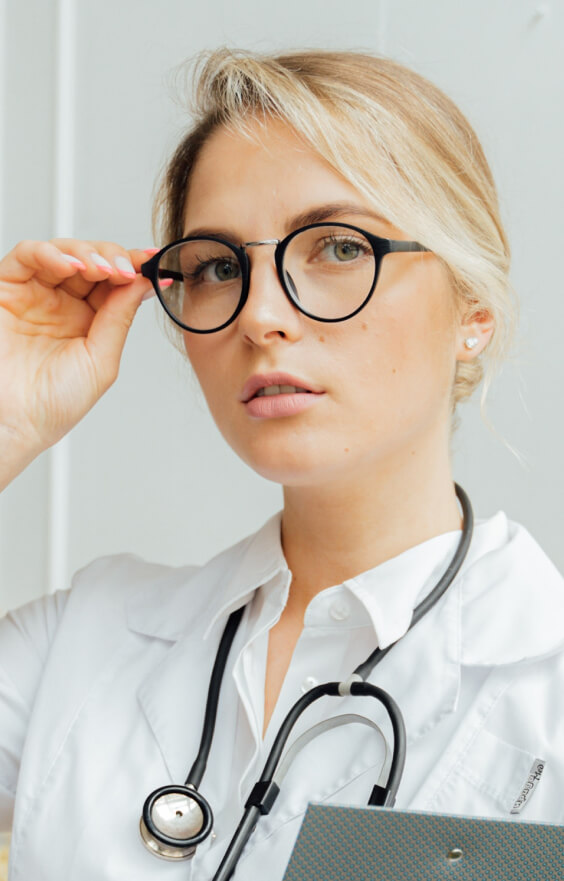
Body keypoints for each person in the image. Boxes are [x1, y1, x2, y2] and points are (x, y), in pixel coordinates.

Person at [0, 47, 563, 881]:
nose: (260, 315)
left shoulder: (544, 684)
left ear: (472, 309)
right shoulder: (84, 640)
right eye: (220, 267)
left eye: (337, 247)